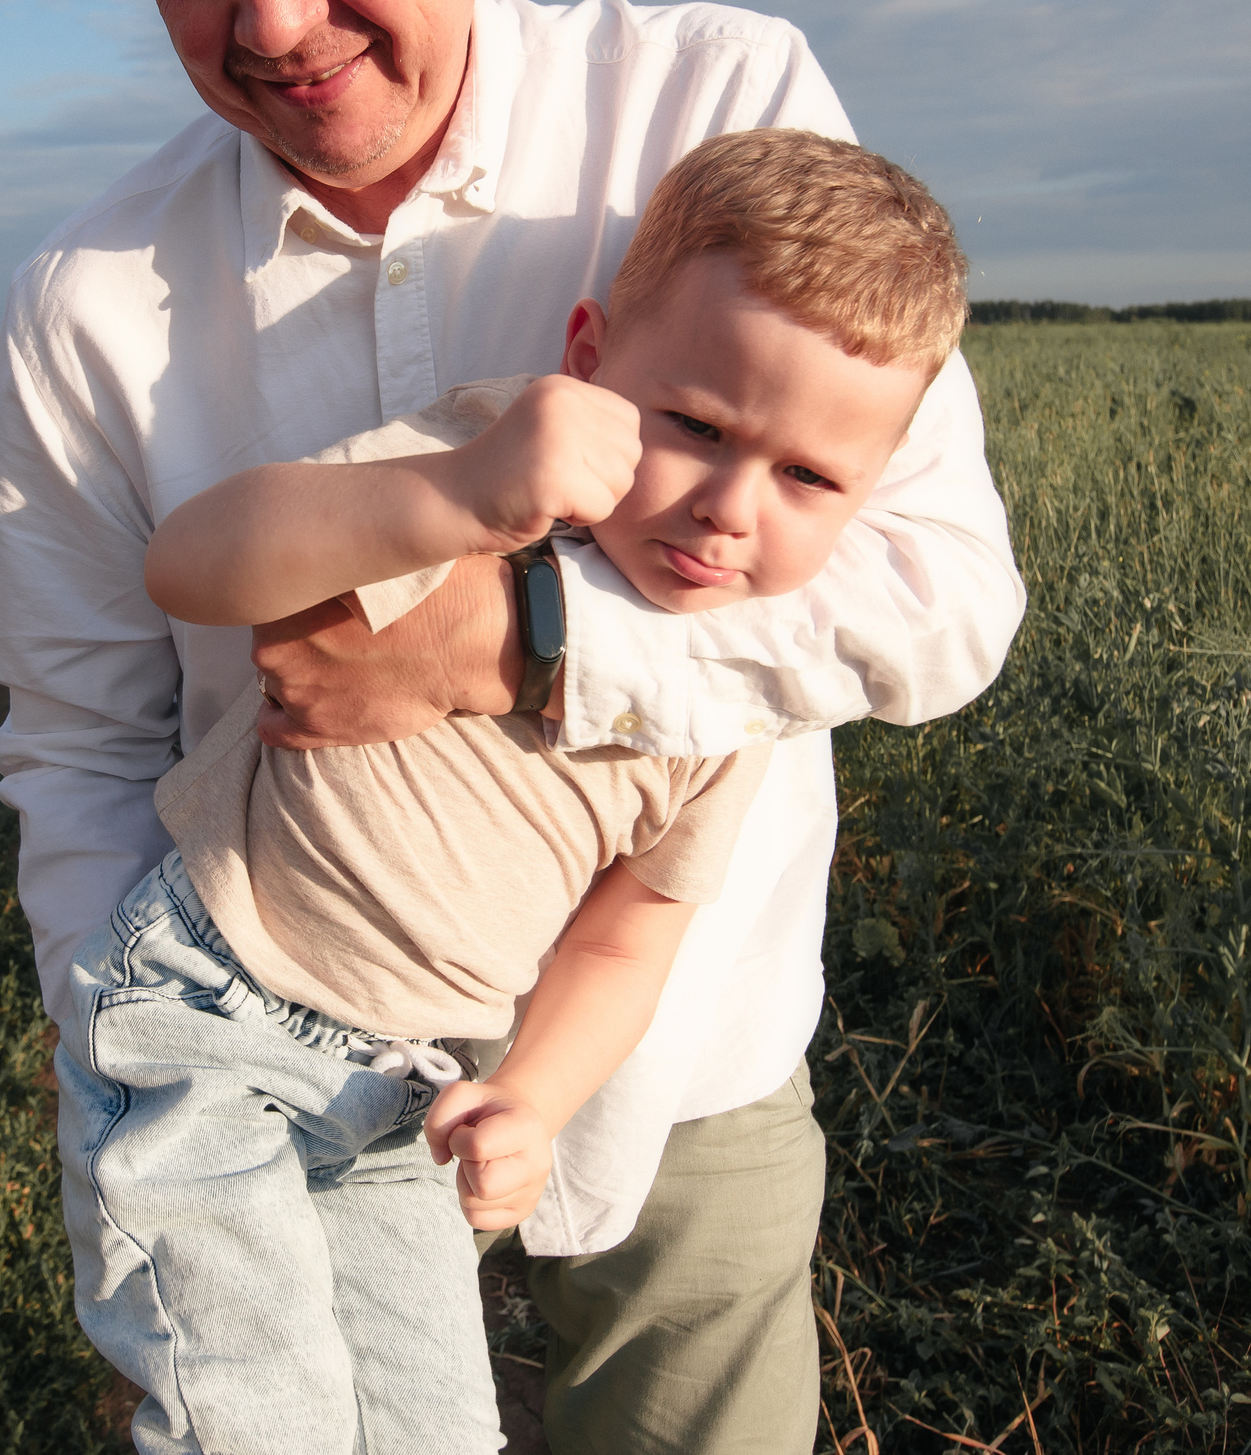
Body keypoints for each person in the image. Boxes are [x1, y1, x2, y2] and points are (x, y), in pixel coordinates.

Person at [0, 0, 1026, 1447]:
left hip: (685, 1063)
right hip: (265, 1036)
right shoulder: (86, 301)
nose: (271, 18)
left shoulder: (716, 100)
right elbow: (84, 746)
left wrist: (518, 646)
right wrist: (122, 1096)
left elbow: (939, 589)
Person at [56, 129, 974, 1454]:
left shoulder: (737, 697)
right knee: (261, 1422)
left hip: (400, 1092)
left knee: (441, 1433)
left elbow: (626, 932)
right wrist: (452, 489)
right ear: (590, 362)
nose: (729, 506)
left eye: (809, 478)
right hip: (211, 1006)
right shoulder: (491, 469)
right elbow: (194, 564)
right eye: (698, 427)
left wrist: (534, 1096)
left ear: (871, 494)